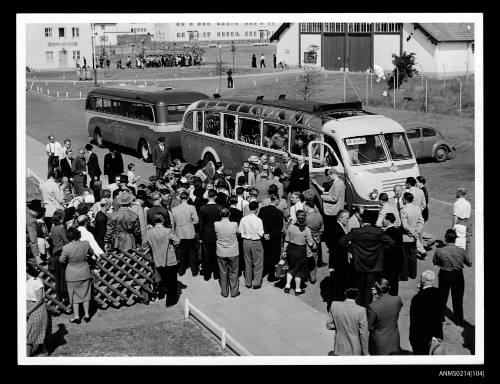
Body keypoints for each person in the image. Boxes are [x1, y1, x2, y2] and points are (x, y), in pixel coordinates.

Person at [340, 210, 395, 307]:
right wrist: (381, 250)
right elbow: (392, 243)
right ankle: (367, 307)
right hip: (374, 265)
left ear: (363, 219)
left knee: (359, 288)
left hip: (359, 264)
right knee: (369, 288)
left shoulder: (356, 232)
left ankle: (359, 307)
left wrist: (352, 250)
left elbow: (342, 241)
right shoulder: (378, 232)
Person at [433, 229, 472, 327]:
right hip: (458, 275)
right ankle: (458, 319)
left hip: (444, 274)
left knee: (442, 297)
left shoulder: (439, 250)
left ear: (445, 238)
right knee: (458, 298)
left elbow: (435, 262)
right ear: (455, 239)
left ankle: (440, 317)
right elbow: (469, 263)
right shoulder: (461, 250)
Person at [60, 227, 93, 324]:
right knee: (86, 294)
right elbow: (91, 253)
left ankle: (76, 316)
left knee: (74, 296)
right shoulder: (85, 244)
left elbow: (62, 260)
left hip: (72, 274)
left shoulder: (66, 247)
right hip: (84, 271)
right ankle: (87, 315)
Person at [146, 213, 180, 306]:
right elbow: (177, 240)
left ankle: (160, 295)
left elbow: (146, 244)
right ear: (163, 221)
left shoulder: (149, 232)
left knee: (162, 279)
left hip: (157, 258)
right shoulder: (168, 231)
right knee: (172, 281)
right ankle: (171, 301)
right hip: (169, 259)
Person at [326, 287, 369, 356]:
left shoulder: (334, 305)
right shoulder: (361, 310)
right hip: (354, 349)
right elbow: (363, 334)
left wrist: (340, 326)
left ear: (345, 293)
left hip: (339, 347)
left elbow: (328, 325)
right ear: (357, 295)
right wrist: (365, 352)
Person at [281, 210, 315, 295]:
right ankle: (298, 289)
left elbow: (286, 240)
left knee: (291, 268)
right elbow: (310, 243)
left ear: (296, 217)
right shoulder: (306, 229)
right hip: (301, 250)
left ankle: (287, 286)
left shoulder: (291, 227)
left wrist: (284, 250)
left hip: (291, 249)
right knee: (299, 270)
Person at [409, 270, 443, 354]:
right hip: (436, 334)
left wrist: (420, 291)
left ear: (422, 281)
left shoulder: (417, 298)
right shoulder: (439, 294)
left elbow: (415, 320)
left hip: (420, 338)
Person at [367, 278, 403, 355]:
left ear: (376, 290)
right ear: (389, 288)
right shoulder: (397, 300)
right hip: (394, 341)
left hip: (379, 343)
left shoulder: (373, 306)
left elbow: (369, 326)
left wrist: (374, 299)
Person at [311, 167, 345, 245]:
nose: (329, 178)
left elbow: (334, 198)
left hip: (333, 211)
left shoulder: (338, 184)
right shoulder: (338, 183)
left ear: (332, 174)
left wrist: (323, 197)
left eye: (329, 176)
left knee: (332, 228)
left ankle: (332, 243)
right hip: (335, 210)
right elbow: (331, 193)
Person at [171, 191, 200, 276]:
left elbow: (173, 222)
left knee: (181, 251)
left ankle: (181, 270)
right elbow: (196, 220)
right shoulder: (192, 207)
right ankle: (194, 270)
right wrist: (189, 224)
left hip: (179, 232)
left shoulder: (174, 209)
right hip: (190, 231)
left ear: (180, 198)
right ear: (187, 198)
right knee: (192, 251)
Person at [214, 208, 240, 298]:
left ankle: (224, 292)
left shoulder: (216, 224)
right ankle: (234, 291)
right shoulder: (234, 224)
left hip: (221, 251)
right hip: (233, 251)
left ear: (220, 214)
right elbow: (238, 233)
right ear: (229, 214)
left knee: (223, 272)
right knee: (234, 272)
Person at [258, 194, 284, 282]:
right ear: (276, 200)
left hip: (264, 237)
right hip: (274, 239)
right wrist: (271, 235)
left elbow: (260, 223)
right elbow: (279, 227)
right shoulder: (279, 212)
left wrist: (265, 234)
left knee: (265, 255)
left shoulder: (262, 210)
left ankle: (263, 272)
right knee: (274, 257)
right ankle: (271, 275)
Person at [239, 201, 265, 289]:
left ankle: (248, 282)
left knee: (248, 263)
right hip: (256, 241)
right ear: (257, 209)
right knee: (258, 263)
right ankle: (256, 283)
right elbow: (260, 233)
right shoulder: (258, 220)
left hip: (246, 242)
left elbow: (240, 231)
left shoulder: (243, 219)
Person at [400, 192, 424, 280]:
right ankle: (413, 274)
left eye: (403, 198)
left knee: (405, 257)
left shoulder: (403, 210)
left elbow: (405, 225)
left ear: (406, 200)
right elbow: (421, 221)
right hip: (414, 235)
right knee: (413, 256)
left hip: (406, 236)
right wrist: (417, 231)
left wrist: (412, 233)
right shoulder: (417, 208)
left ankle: (405, 275)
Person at [26, 262, 49, 356]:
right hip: (27, 305)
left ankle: (26, 358)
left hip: (37, 308)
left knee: (28, 336)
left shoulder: (36, 280)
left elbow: (39, 300)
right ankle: (43, 351)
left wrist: (27, 312)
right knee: (35, 331)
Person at [199, 189, 222, 281]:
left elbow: (201, 224)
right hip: (217, 233)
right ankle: (216, 274)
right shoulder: (219, 207)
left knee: (206, 256)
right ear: (215, 197)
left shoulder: (202, 208)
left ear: (208, 197)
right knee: (216, 255)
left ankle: (207, 274)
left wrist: (200, 236)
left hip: (206, 234)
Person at [329, 209, 350, 301]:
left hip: (339, 260)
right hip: (338, 261)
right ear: (341, 218)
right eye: (347, 218)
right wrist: (332, 265)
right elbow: (334, 247)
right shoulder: (336, 229)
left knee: (338, 282)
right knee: (338, 282)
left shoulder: (337, 227)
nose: (348, 220)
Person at [381, 213, 404, 296]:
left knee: (384, 283)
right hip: (397, 261)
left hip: (387, 262)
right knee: (394, 283)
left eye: (384, 219)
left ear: (387, 220)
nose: (383, 220)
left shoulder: (386, 233)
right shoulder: (398, 232)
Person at [49, 210, 69, 302]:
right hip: (61, 253)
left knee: (58, 277)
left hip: (55, 253)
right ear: (61, 218)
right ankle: (65, 296)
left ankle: (60, 296)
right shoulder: (60, 229)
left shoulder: (53, 228)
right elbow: (66, 241)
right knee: (63, 276)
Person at [304, 199, 324, 280]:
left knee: (306, 257)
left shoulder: (306, 217)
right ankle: (313, 277)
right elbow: (322, 229)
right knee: (315, 258)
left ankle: (305, 276)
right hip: (316, 240)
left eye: (304, 206)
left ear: (308, 206)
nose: (303, 208)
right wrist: (317, 235)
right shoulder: (319, 216)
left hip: (307, 240)